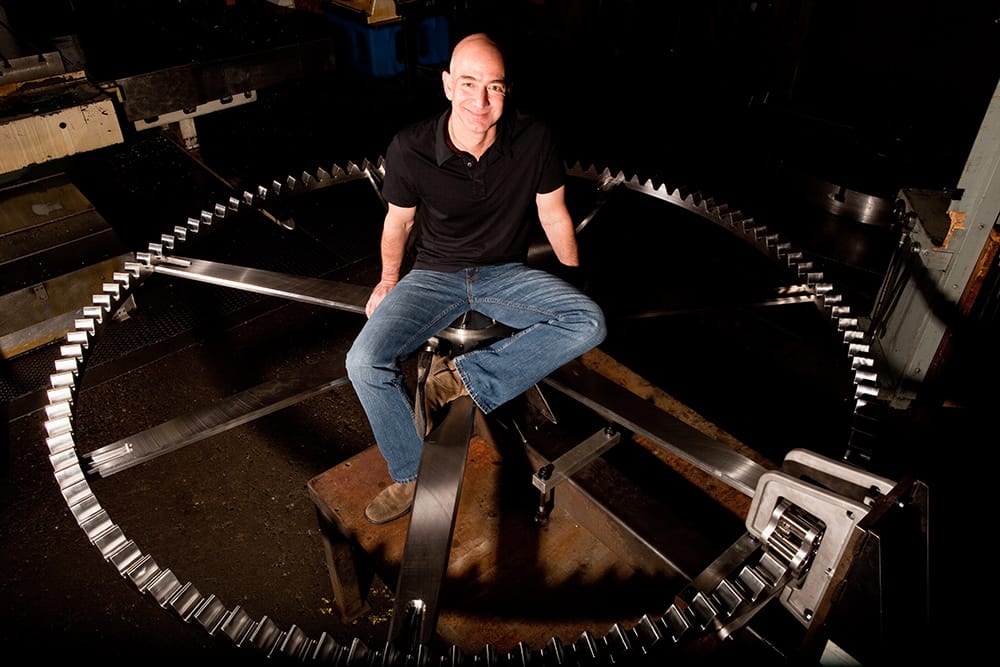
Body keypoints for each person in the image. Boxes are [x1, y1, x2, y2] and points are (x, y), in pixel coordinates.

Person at [345, 32, 607, 525]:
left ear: (507, 92)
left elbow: (554, 215)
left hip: (505, 273)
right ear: (447, 85)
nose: (480, 101)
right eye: (468, 84)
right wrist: (386, 281)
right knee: (363, 362)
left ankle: (460, 379)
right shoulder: (411, 147)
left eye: (494, 88)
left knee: (588, 322)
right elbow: (398, 223)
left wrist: (574, 278)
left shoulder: (534, 138)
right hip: (434, 275)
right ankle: (409, 473)